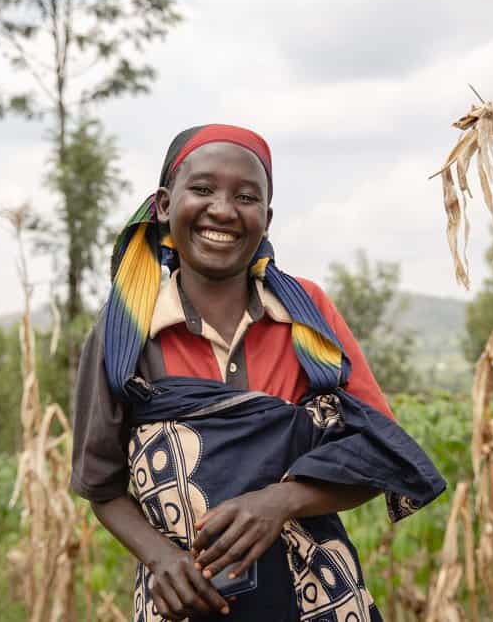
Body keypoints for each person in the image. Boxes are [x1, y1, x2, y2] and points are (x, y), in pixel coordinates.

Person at [70, 124, 445, 621]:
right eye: (202, 189)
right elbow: (101, 483)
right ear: (163, 205)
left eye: (246, 196)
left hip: (318, 601)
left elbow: (378, 454)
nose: (223, 209)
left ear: (265, 219)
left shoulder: (306, 315)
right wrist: (160, 558)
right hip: (185, 605)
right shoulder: (126, 334)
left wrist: (280, 502)